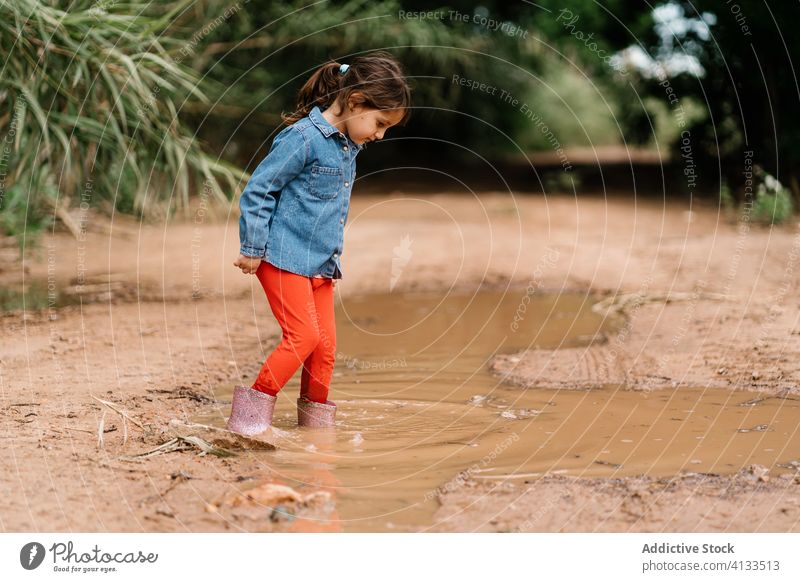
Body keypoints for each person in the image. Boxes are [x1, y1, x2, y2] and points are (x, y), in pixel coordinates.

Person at [226, 51, 412, 435]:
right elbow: (260, 190)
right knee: (302, 337)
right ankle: (246, 423)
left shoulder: (349, 146)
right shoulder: (303, 139)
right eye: (380, 123)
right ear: (356, 101)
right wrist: (252, 249)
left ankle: (316, 434)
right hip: (282, 256)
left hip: (320, 264)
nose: (380, 135)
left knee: (325, 348)